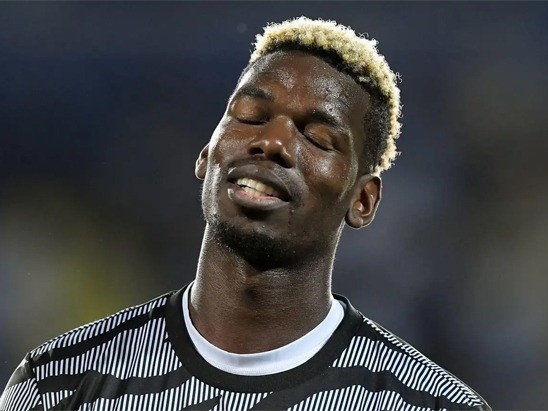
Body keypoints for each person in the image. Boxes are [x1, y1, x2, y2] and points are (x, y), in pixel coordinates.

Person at [0, 17, 490, 411]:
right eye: (251, 117)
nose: (272, 142)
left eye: (318, 138)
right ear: (206, 154)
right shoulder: (59, 385)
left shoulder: (428, 403)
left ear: (362, 200)